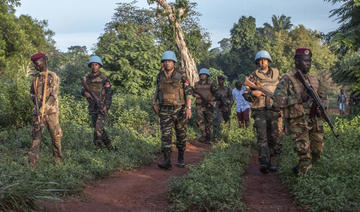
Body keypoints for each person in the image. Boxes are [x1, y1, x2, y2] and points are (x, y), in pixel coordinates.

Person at [273, 48, 327, 174]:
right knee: (303, 152)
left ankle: (300, 168)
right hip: (297, 121)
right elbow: (276, 102)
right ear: (296, 62)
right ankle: (305, 180)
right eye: (304, 61)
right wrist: (297, 98)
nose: (308, 64)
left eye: (309, 61)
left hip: (314, 120)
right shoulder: (287, 79)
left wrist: (322, 107)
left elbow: (324, 97)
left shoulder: (315, 80)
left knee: (317, 151)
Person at [152, 50, 193, 170]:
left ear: (174, 63)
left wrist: (188, 108)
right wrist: (154, 102)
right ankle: (167, 160)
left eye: (170, 61)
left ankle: (180, 158)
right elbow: (157, 89)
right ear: (163, 63)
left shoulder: (181, 75)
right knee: (166, 135)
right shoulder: (160, 75)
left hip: (179, 109)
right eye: (165, 61)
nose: (167, 63)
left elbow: (188, 92)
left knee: (181, 134)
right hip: (164, 109)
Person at [243, 50, 281, 174]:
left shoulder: (277, 75)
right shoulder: (252, 76)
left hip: (274, 110)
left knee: (275, 137)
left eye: (264, 60)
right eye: (260, 60)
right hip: (260, 110)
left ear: (268, 61)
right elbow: (245, 93)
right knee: (262, 136)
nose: (262, 62)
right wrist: (253, 93)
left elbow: (283, 90)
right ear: (257, 62)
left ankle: (273, 161)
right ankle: (264, 162)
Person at [28, 52, 62, 167]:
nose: (36, 67)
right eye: (34, 65)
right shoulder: (35, 78)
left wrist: (44, 108)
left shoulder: (53, 76)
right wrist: (37, 107)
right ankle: (32, 164)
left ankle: (58, 163)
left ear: (44, 61)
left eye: (37, 64)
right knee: (36, 138)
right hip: (38, 113)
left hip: (51, 113)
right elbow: (32, 94)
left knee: (56, 137)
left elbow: (53, 96)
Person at [82, 56, 115, 150]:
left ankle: (97, 148)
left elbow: (109, 94)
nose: (94, 67)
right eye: (92, 65)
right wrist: (85, 93)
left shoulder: (104, 78)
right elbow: (82, 90)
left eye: (96, 65)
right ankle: (110, 147)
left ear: (99, 66)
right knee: (99, 129)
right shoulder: (87, 78)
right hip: (92, 107)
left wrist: (106, 106)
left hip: (102, 106)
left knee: (98, 129)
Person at [194, 68, 217, 143]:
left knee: (209, 121)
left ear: (207, 75)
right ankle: (203, 135)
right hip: (199, 105)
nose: (202, 76)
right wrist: (197, 95)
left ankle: (209, 137)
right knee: (200, 121)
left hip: (208, 105)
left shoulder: (211, 83)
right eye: (201, 74)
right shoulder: (196, 84)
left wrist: (211, 101)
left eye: (204, 74)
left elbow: (215, 94)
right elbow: (193, 93)